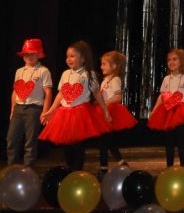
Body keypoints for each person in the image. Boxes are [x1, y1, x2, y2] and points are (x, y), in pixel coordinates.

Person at [39, 41, 111, 170]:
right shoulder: (65, 74)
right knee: (67, 145)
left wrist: (104, 109)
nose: (69, 59)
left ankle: (77, 171)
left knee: (77, 145)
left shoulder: (89, 74)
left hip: (80, 113)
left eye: (72, 56)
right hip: (64, 113)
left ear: (83, 58)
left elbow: (96, 93)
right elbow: (61, 94)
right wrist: (51, 110)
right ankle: (70, 169)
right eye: (67, 56)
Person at [147, 49, 184, 167]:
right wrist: (154, 110)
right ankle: (169, 166)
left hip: (181, 111)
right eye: (169, 60)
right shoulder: (166, 79)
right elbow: (162, 97)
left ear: (181, 61)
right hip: (168, 111)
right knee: (169, 141)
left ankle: (183, 166)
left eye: (174, 59)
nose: (171, 62)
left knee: (181, 140)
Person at [7, 38, 53, 167]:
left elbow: (48, 92)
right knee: (11, 139)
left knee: (30, 142)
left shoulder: (43, 71)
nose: (29, 56)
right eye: (26, 54)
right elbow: (15, 92)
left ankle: (28, 170)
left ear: (39, 54)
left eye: (32, 53)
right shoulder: (19, 71)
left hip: (34, 109)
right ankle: (11, 168)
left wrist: (45, 111)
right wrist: (12, 110)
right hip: (18, 108)